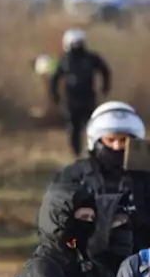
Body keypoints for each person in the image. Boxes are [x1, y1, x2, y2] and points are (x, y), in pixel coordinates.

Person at [52, 101, 150, 259]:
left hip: (140, 262)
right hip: (89, 262)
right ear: (96, 140)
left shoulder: (145, 177)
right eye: (110, 140)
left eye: (124, 140)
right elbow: (54, 219)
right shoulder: (75, 175)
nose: (117, 146)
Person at [50, 28, 111, 157]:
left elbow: (105, 71)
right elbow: (55, 78)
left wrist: (105, 86)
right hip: (72, 100)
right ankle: (76, 154)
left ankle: (94, 153)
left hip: (87, 98)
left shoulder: (91, 58)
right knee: (74, 128)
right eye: (74, 43)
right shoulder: (65, 60)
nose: (76, 45)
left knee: (93, 126)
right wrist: (54, 94)